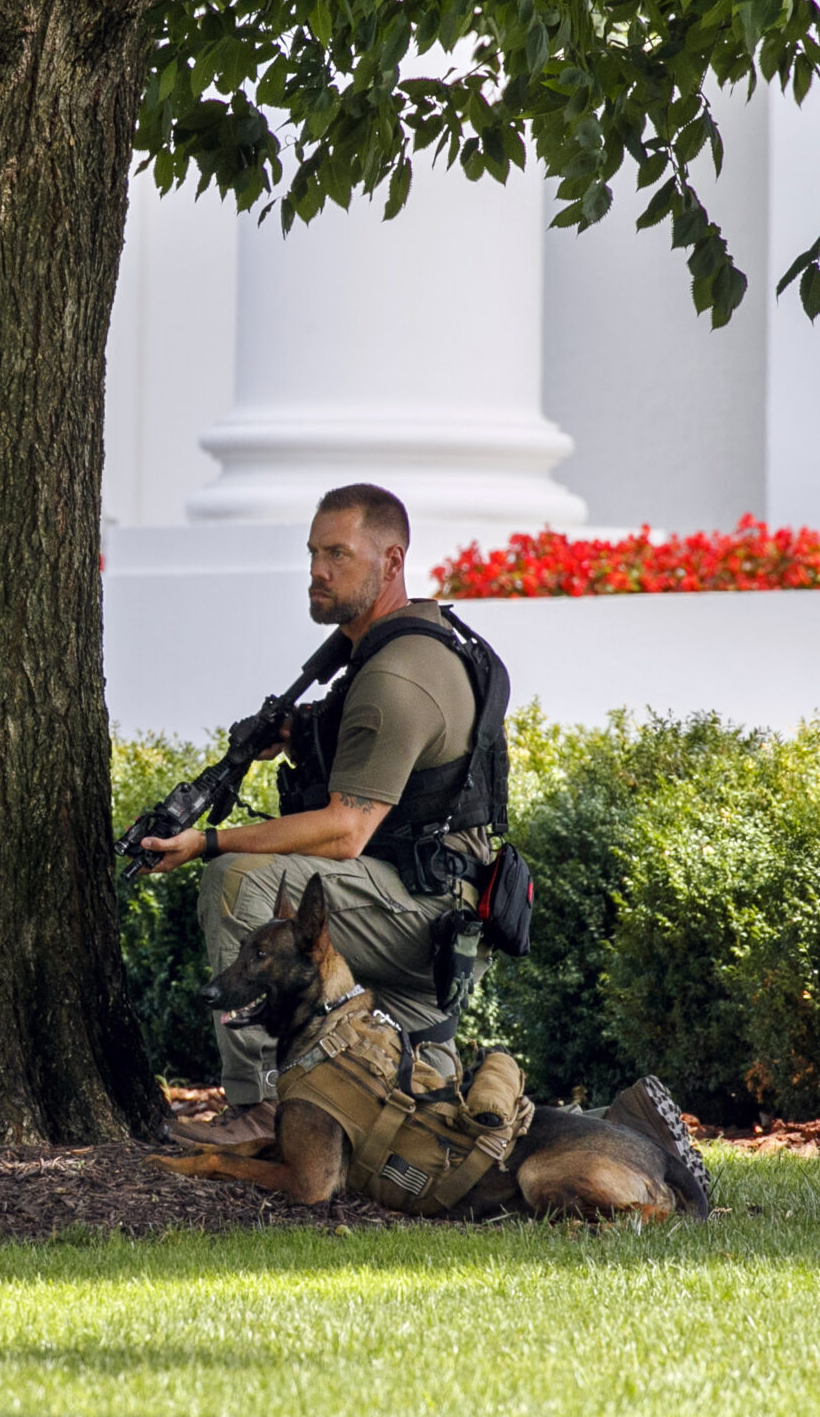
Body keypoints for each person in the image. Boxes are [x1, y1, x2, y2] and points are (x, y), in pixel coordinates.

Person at [136, 483, 501, 1144]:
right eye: (312, 553)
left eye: (339, 554)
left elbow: (345, 829)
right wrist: (301, 735)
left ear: (391, 561)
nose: (318, 572)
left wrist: (211, 840)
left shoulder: (396, 676)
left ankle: (261, 1112)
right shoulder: (407, 642)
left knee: (240, 877)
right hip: (434, 906)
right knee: (424, 1124)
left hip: (419, 919)